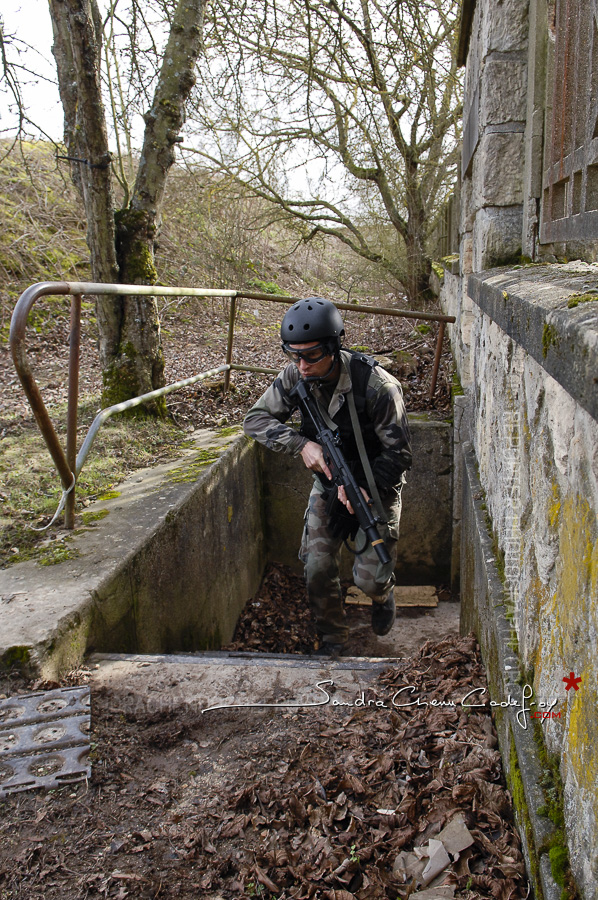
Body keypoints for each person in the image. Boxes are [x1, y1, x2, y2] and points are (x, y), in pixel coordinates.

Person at [243, 297, 412, 656]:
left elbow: (400, 454)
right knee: (317, 568)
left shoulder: (378, 387)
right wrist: (301, 444)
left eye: (311, 356)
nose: (301, 365)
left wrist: (366, 489)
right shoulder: (296, 375)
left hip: (376, 488)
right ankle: (333, 638)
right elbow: (255, 420)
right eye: (294, 355)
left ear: (334, 347)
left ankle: (383, 595)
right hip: (329, 486)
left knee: (370, 578)